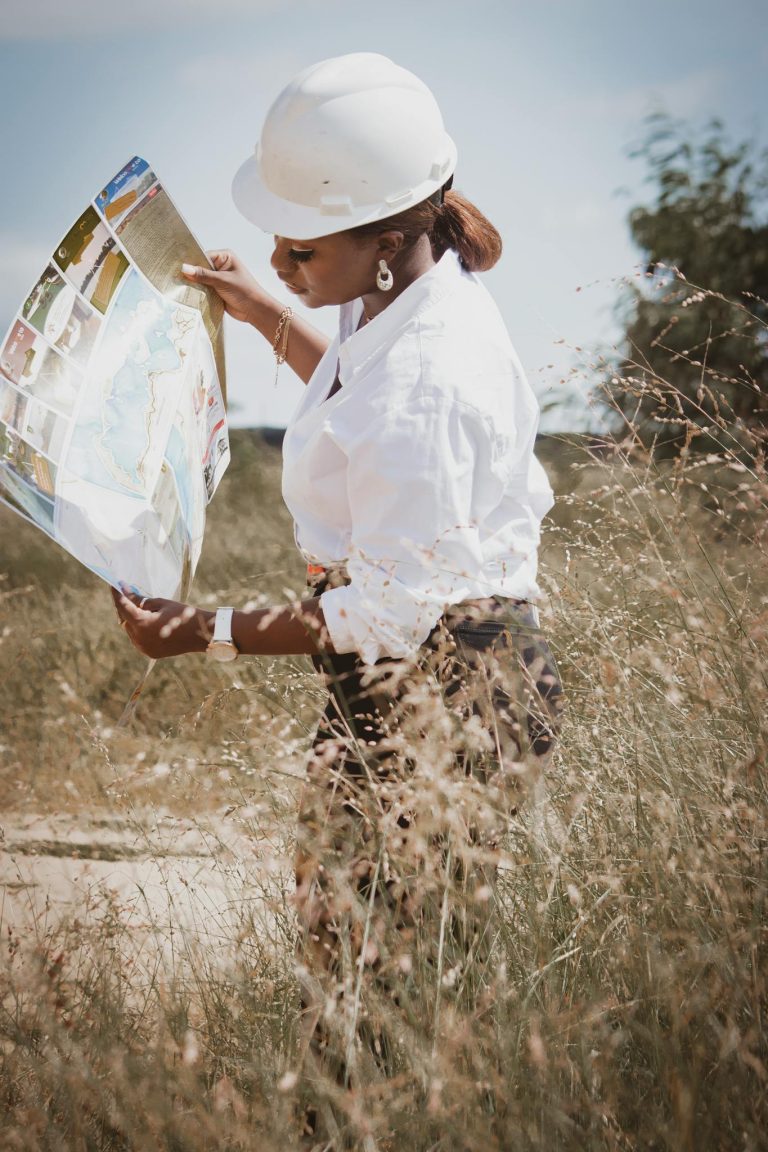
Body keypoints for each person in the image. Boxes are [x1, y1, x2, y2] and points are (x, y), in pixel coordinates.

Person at [113, 53, 564, 1149]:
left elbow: (394, 615)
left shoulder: (434, 367)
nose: (280, 258)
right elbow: (359, 407)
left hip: (448, 685)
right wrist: (270, 314)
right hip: (400, 669)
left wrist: (196, 634)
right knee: (343, 946)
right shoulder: (398, 296)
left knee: (389, 981)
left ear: (390, 234)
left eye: (300, 248)